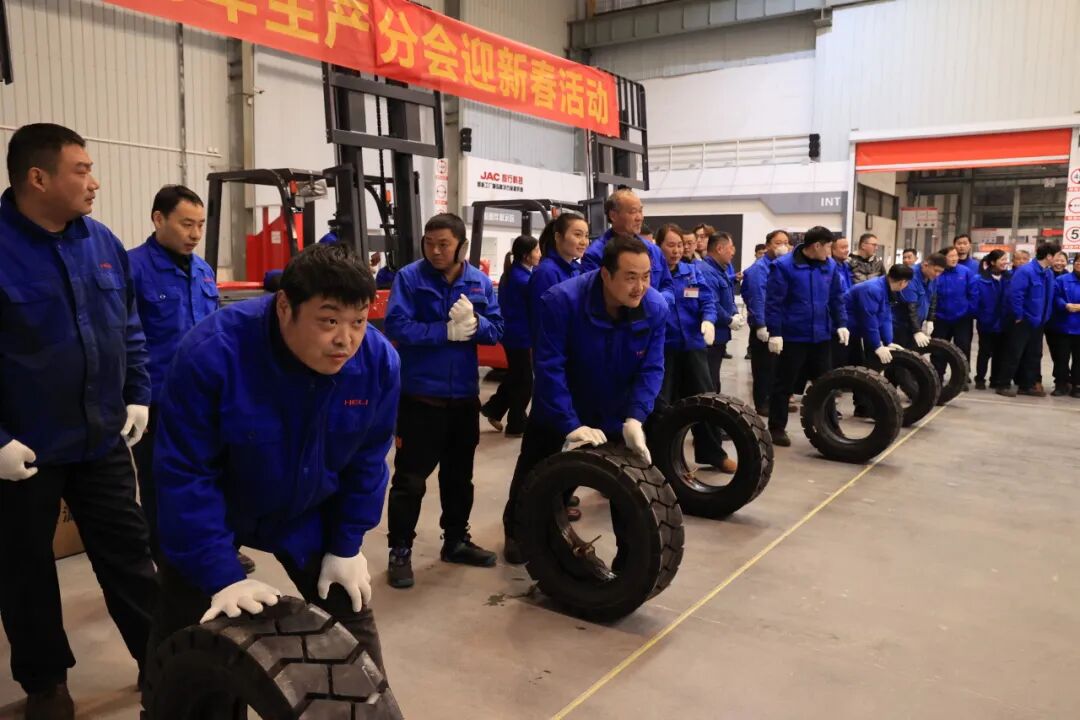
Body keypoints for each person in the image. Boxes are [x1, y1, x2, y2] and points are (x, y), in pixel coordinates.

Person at [148, 242, 398, 689]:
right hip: (220, 507)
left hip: (308, 511)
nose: (346, 340)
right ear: (285, 306)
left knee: (355, 636)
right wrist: (221, 575)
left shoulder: (377, 364)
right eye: (329, 321)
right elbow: (186, 475)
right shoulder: (212, 354)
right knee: (185, 637)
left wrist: (346, 544)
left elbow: (366, 462)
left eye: (358, 321)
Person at [0, 123, 157, 718]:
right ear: (38, 178)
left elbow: (128, 324)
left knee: (130, 554)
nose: (95, 182)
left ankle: (160, 661)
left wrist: (137, 393)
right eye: (82, 170)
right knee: (24, 570)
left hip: (99, 438)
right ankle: (45, 682)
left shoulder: (102, 242)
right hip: (25, 451)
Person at [502, 235, 667, 563]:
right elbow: (549, 368)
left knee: (629, 489)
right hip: (560, 408)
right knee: (539, 478)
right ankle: (520, 534)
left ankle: (630, 566)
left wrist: (636, 417)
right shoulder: (562, 301)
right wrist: (569, 425)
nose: (640, 287)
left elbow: (652, 367)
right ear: (606, 274)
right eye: (630, 277)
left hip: (615, 410)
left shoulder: (655, 307)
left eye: (646, 276)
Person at [383, 213, 503, 588]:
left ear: (461, 246)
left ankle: (455, 541)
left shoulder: (478, 282)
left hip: (463, 398)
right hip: (421, 398)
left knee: (459, 478)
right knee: (410, 481)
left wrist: (477, 324)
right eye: (430, 243)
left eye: (444, 244)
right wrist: (444, 332)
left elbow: (497, 329)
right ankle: (400, 550)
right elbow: (397, 324)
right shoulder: (409, 278)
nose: (435, 251)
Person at [128, 185, 222, 562]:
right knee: (159, 482)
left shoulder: (203, 271)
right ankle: (164, 560)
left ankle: (211, 549)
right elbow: (123, 339)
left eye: (200, 225)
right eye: (186, 224)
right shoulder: (132, 268)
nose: (195, 234)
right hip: (155, 402)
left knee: (207, 476)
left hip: (202, 398)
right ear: (158, 219)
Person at [656, 226, 732, 471]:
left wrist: (708, 319)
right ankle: (665, 460)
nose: (676, 250)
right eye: (670, 245)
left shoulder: (691, 272)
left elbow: (707, 299)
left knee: (704, 400)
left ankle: (713, 453)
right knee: (663, 407)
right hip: (663, 349)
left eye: (679, 245)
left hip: (693, 346)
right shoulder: (652, 274)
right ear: (658, 246)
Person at [764, 226, 848, 446]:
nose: (830, 252)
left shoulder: (829, 265)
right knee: (784, 383)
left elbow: (836, 297)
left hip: (821, 336)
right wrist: (775, 333)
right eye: (828, 247)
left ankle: (831, 427)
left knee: (826, 384)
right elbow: (774, 303)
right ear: (817, 246)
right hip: (793, 336)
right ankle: (777, 428)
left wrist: (841, 324)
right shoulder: (783, 267)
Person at [482, 235, 540, 436]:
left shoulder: (514, 273)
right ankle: (516, 423)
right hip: (519, 335)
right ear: (526, 256)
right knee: (525, 381)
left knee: (516, 376)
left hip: (513, 334)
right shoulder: (523, 279)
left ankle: (494, 409)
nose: (539, 254)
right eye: (536, 250)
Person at [996, 242, 1061, 397]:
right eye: (1057, 256)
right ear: (1049, 256)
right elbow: (1015, 295)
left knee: (1034, 355)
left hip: (1039, 322)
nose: (1059, 259)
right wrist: (1019, 316)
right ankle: (1003, 384)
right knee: (1014, 353)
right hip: (1023, 321)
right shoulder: (1026, 271)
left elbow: (1049, 297)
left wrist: (1046, 316)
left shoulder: (1048, 273)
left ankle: (1027, 385)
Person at [581, 188, 673, 295]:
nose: (639, 218)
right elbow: (594, 294)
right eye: (633, 212)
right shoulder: (595, 254)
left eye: (640, 211)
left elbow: (668, 287)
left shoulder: (654, 250)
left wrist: (656, 301)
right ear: (613, 215)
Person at [742, 230, 790, 415]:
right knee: (764, 368)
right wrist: (761, 325)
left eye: (785, 242)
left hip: (780, 324)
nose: (783, 246)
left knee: (778, 367)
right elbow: (757, 297)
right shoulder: (759, 269)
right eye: (778, 242)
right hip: (764, 326)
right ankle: (762, 403)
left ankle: (775, 402)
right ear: (768, 245)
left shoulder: (784, 266)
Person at [845, 265, 914, 375]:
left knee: (859, 365)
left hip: (856, 329)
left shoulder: (886, 287)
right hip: (844, 331)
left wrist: (888, 341)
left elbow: (885, 316)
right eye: (908, 283)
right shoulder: (872, 289)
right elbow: (868, 319)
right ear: (903, 282)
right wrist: (877, 346)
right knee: (846, 365)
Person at [529, 213, 590, 338]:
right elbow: (543, 322)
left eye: (586, 236)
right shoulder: (546, 272)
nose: (584, 242)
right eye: (577, 235)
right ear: (558, 237)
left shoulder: (575, 270)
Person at [697, 232, 743, 391]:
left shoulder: (720, 270)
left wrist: (735, 312)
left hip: (720, 336)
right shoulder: (706, 271)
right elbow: (712, 303)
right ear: (719, 248)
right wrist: (729, 320)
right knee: (709, 381)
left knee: (714, 377)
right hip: (711, 337)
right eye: (731, 248)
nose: (733, 252)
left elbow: (727, 295)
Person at [930, 245, 977, 387]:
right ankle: (937, 377)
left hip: (962, 318)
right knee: (938, 349)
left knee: (963, 348)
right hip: (940, 318)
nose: (954, 258)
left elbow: (974, 293)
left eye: (956, 255)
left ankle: (962, 379)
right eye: (951, 256)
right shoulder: (936, 273)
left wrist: (969, 310)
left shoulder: (965, 272)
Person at [972, 250, 1011, 391]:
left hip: (1004, 321)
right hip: (986, 321)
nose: (1005, 262)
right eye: (1002, 259)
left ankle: (995, 379)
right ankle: (980, 379)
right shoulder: (980, 279)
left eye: (1006, 259)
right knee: (984, 352)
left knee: (1000, 353)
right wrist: (981, 315)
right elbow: (975, 300)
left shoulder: (1009, 278)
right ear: (993, 262)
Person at [894, 253, 946, 349]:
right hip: (902, 325)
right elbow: (909, 306)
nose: (937, 274)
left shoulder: (932, 277)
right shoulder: (911, 276)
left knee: (913, 353)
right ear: (925, 265)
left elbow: (933, 298)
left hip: (916, 323)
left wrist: (930, 319)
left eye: (940, 272)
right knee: (901, 354)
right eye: (936, 270)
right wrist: (917, 331)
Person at [1052, 254, 1080, 398]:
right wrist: (1065, 305)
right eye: (1078, 262)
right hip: (1063, 325)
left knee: (1079, 359)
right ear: (1074, 263)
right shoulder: (1062, 280)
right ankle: (1060, 384)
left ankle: (1077, 385)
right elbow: (1055, 297)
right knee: (1061, 358)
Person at [1046, 251, 1073, 395]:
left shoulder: (1070, 277)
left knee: (1063, 354)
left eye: (1062, 261)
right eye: (1057, 260)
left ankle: (1067, 380)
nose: (1059, 263)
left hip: (1065, 321)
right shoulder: (1046, 275)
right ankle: (1061, 380)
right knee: (1056, 354)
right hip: (1049, 321)